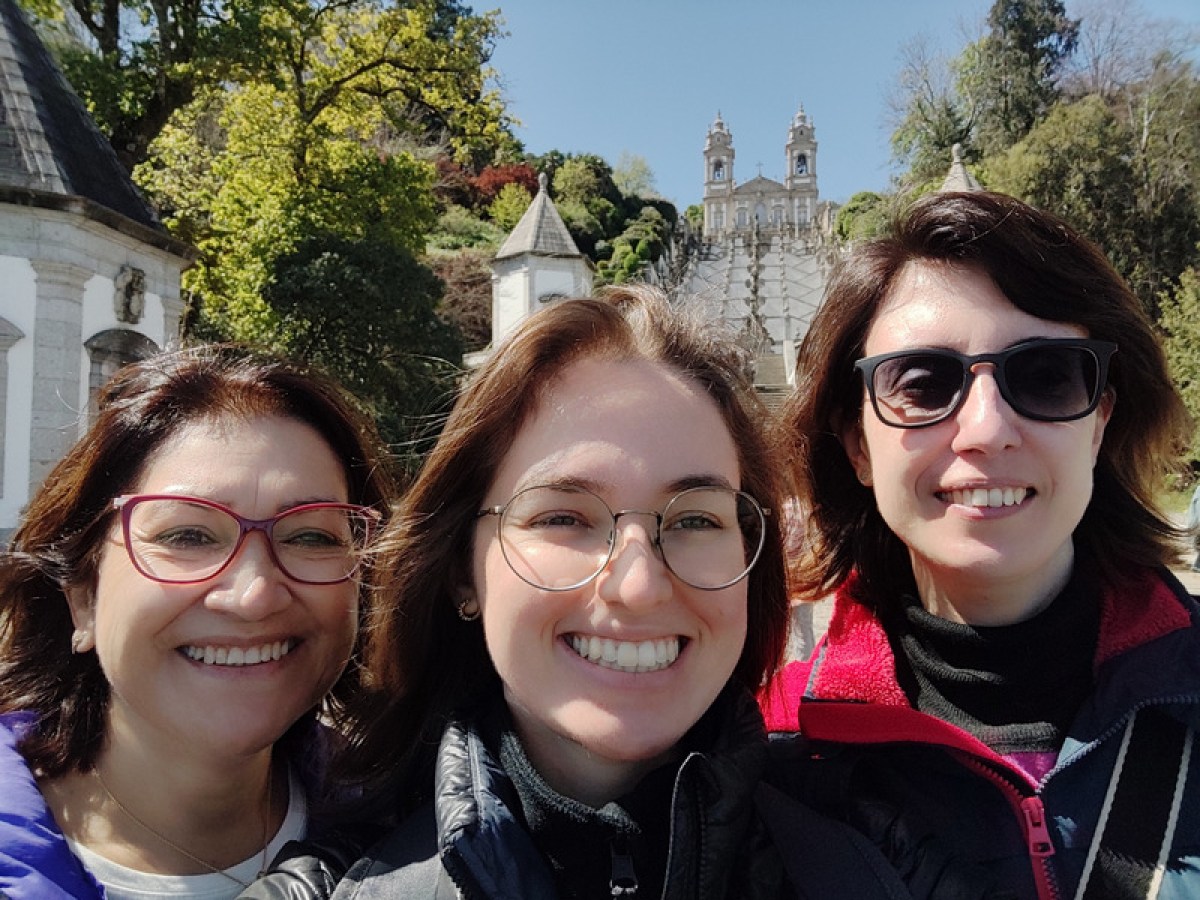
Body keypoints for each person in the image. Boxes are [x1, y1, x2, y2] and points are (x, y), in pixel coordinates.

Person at [241, 287, 913, 899]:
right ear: (461, 571)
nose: (640, 585)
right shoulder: (341, 888)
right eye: (562, 518)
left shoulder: (888, 860)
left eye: (695, 520)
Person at [760, 190, 1200, 899]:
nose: (986, 429)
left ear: (1099, 424)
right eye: (923, 383)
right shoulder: (771, 749)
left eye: (1048, 377)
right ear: (857, 445)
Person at [0, 344, 395, 899]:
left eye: (310, 535)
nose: (254, 596)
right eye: (187, 536)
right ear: (83, 598)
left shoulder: (421, 834)